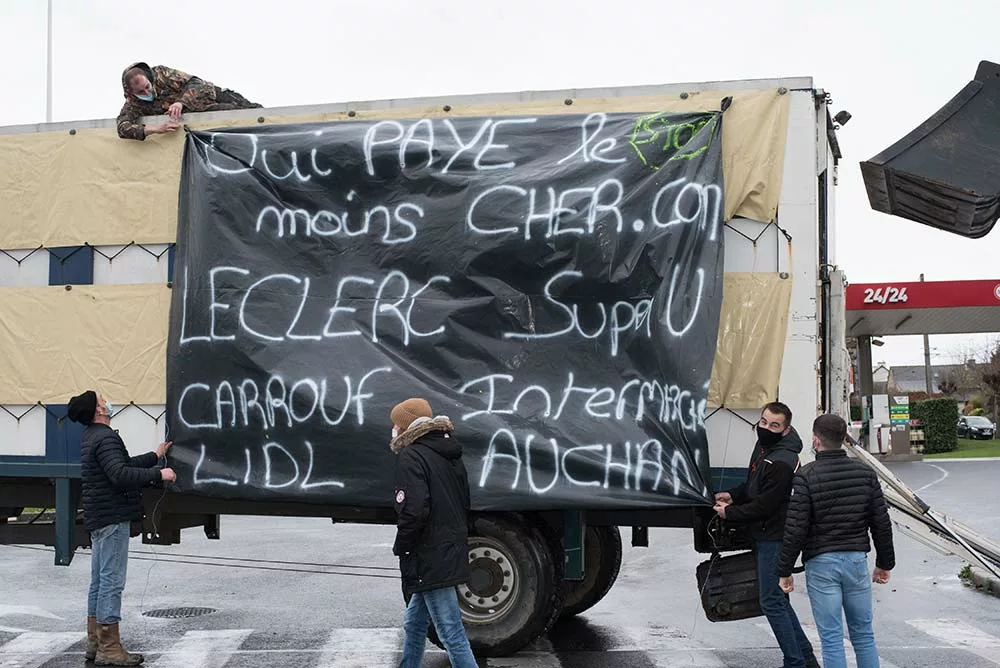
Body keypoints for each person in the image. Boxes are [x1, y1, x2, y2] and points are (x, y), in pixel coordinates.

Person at [778, 414, 895, 668]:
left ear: (816, 440)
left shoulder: (806, 476)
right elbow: (881, 522)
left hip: (821, 563)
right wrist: (885, 563)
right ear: (843, 439)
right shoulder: (865, 473)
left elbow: (796, 527)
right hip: (855, 561)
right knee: (863, 635)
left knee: (831, 639)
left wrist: (784, 570)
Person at [67, 390, 176, 666]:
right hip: (112, 518)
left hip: (100, 517)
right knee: (112, 582)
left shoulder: (93, 437)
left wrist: (154, 455)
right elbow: (120, 474)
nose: (107, 403)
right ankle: (110, 648)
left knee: (100, 581)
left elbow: (122, 465)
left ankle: (95, 641)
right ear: (98, 412)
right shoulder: (106, 438)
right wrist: (159, 474)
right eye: (102, 401)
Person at [713, 401, 819, 668]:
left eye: (774, 425)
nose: (766, 428)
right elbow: (754, 486)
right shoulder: (766, 447)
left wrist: (731, 514)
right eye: (763, 422)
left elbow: (766, 504)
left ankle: (794, 662)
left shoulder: (782, 460)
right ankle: (805, 659)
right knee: (778, 600)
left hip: (775, 536)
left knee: (771, 601)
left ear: (786, 429)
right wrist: (733, 495)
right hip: (768, 534)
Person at [389, 397, 477, 668]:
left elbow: (414, 511)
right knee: (413, 624)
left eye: (395, 424)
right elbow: (464, 501)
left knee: (451, 632)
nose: (392, 429)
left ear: (405, 427)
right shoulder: (448, 453)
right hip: (448, 549)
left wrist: (402, 545)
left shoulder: (412, 456)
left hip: (430, 555)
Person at [116, 61, 262, 141]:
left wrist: (180, 102)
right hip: (199, 112)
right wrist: (153, 129)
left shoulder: (163, 74)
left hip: (207, 95)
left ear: (149, 79)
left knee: (250, 111)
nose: (147, 92)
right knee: (228, 115)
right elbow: (123, 127)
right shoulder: (133, 102)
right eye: (141, 92)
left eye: (147, 87)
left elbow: (198, 84)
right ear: (132, 93)